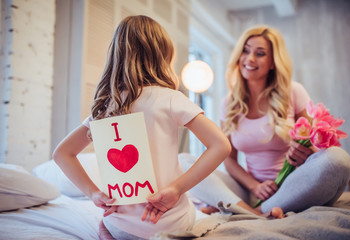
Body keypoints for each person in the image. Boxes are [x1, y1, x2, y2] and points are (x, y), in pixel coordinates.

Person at [53, 15, 232, 240]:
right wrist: (176, 188)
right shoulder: (171, 98)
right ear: (163, 57)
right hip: (172, 223)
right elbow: (221, 145)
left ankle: (106, 233)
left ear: (116, 56)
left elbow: (62, 154)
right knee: (187, 212)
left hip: (122, 226)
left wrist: (93, 193)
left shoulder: (106, 107)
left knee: (105, 223)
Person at [180, 25, 350, 216]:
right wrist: (254, 186)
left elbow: (313, 147)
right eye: (245, 50)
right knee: (183, 161)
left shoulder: (293, 92)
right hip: (249, 190)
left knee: (339, 159)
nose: (250, 58)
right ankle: (255, 213)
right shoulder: (228, 103)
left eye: (260, 53)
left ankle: (248, 211)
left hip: (293, 186)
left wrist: (307, 152)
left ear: (273, 62)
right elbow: (229, 159)